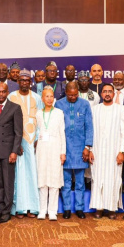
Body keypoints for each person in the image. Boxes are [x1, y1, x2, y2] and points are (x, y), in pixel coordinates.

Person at [0, 82, 23, 224]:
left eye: (3, 92)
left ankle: (6, 212)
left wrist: (14, 151)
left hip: (8, 152)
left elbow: (18, 133)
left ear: (7, 92)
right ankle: (0, 210)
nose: (1, 94)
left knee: (8, 183)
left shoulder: (15, 108)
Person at [55, 82, 93, 219]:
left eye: (75, 95)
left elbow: (89, 126)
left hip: (80, 148)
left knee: (80, 182)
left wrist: (87, 147)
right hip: (64, 148)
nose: (73, 97)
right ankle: (66, 209)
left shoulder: (84, 104)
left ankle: (79, 208)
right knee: (64, 181)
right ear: (65, 92)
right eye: (70, 95)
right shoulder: (58, 104)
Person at [90, 84, 124, 219]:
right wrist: (90, 149)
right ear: (101, 94)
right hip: (98, 150)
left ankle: (112, 208)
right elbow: (91, 131)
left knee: (113, 179)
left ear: (113, 94)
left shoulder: (120, 109)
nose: (107, 94)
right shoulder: (95, 110)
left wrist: (121, 151)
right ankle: (99, 208)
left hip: (114, 151)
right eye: (105, 91)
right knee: (98, 178)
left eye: (109, 92)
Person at [8, 69, 43, 218]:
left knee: (33, 173)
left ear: (30, 82)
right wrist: (15, 144)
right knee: (19, 174)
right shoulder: (11, 97)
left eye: (27, 80)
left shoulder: (37, 97)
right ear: (18, 82)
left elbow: (41, 120)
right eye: (21, 80)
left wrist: (38, 140)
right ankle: (20, 208)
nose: (24, 83)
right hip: (17, 141)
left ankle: (33, 208)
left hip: (33, 141)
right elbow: (7, 121)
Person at [35, 87, 66, 221]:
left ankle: (53, 210)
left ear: (54, 98)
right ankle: (42, 209)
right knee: (42, 179)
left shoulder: (59, 113)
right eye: (46, 96)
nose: (49, 99)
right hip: (42, 148)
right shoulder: (37, 114)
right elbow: (35, 132)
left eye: (51, 96)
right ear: (42, 99)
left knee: (54, 179)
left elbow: (62, 133)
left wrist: (63, 152)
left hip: (55, 147)